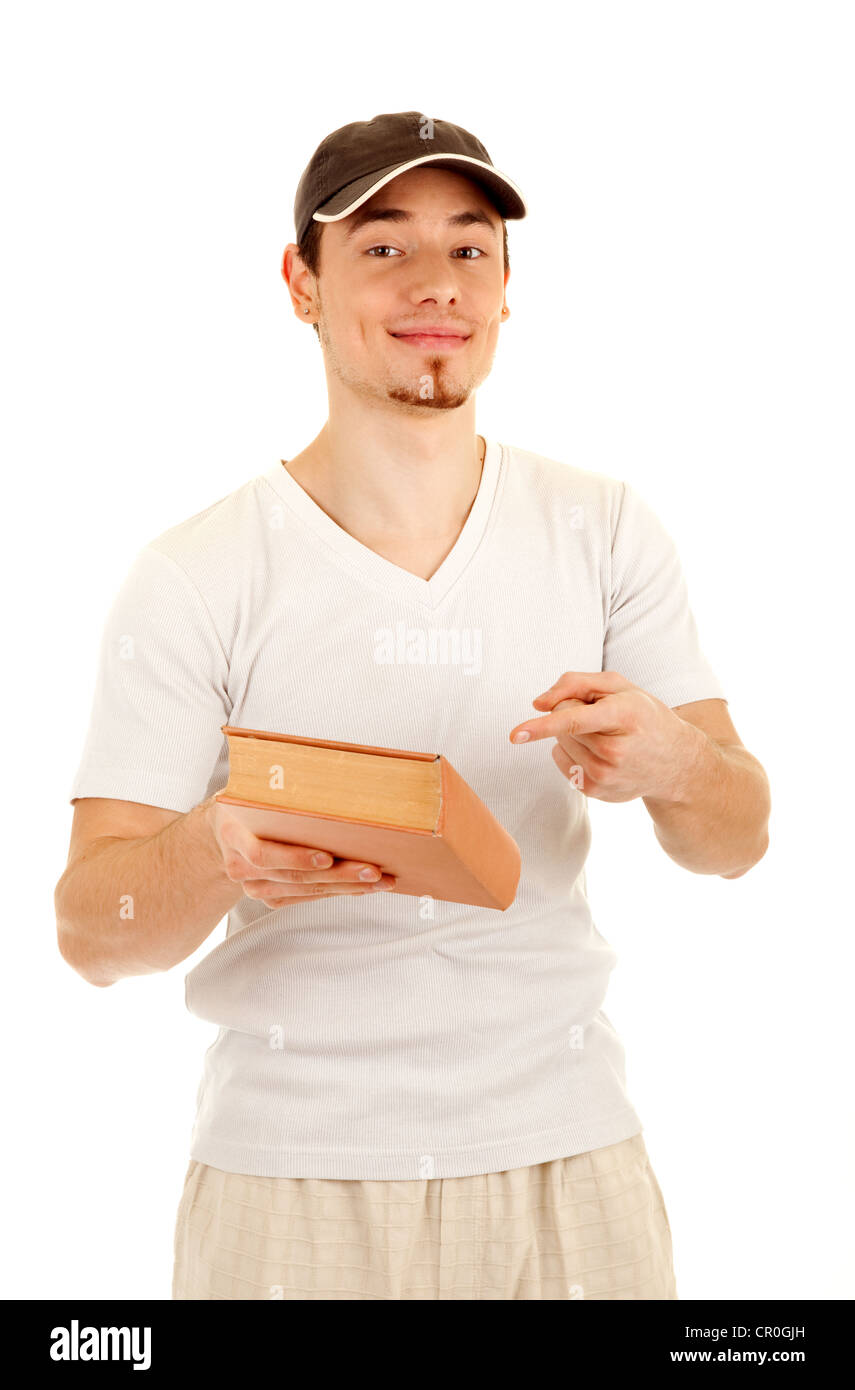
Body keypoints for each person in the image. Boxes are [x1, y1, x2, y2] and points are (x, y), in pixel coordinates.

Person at [55, 110, 771, 1301]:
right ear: (301, 283)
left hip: (570, 1164)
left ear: (505, 287)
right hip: (288, 1185)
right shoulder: (196, 573)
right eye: (383, 246)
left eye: (470, 247)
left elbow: (739, 838)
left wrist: (681, 765)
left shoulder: (605, 531)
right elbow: (92, 929)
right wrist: (218, 843)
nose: (435, 283)